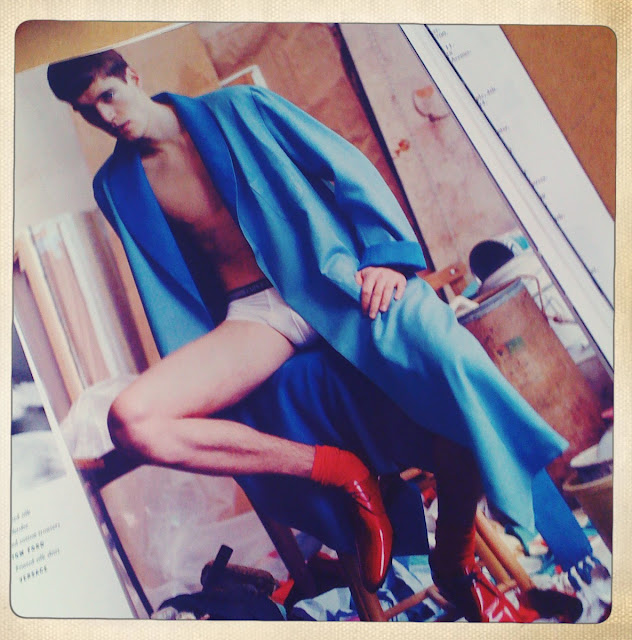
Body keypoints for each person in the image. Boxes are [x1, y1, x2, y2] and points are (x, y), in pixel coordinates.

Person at [47, 49, 578, 621]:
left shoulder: (240, 107)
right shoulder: (116, 186)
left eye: (108, 97)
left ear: (133, 76)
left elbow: (344, 165)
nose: (105, 117)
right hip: (254, 317)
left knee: (454, 372)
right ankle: (342, 471)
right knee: (132, 422)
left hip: (334, 283)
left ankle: (454, 558)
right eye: (88, 111)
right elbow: (169, 282)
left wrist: (384, 257)